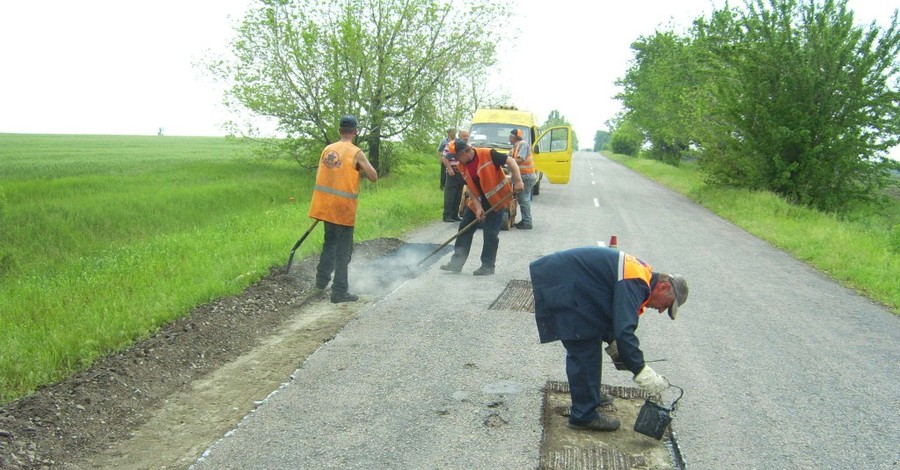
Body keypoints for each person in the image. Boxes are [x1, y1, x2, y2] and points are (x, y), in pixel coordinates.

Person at [529, 246, 689, 431]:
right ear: (663, 287)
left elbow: (609, 309)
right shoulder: (636, 280)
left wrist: (613, 342)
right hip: (562, 283)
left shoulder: (640, 275)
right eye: (666, 305)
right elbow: (625, 329)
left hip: (573, 284)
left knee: (591, 337)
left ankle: (590, 394)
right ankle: (583, 415)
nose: (661, 310)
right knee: (585, 348)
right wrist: (641, 371)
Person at [308, 115, 378, 303]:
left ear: (340, 131)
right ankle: (339, 292)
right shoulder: (356, 152)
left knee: (329, 245)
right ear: (355, 131)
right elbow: (373, 176)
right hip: (343, 209)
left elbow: (322, 176)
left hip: (325, 207)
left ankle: (321, 282)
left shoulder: (327, 149)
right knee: (343, 252)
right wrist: (360, 168)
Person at [440, 139, 524, 276]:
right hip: (477, 201)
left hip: (496, 200)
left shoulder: (488, 154)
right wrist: (478, 207)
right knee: (464, 229)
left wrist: (518, 180)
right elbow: (471, 189)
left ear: (465, 152)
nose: (456, 161)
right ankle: (456, 263)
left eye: (456, 157)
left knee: (490, 233)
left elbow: (511, 162)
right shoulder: (462, 165)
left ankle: (487, 266)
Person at [509, 128, 536, 229]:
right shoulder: (515, 146)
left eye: (510, 136)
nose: (509, 138)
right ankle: (526, 220)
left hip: (526, 176)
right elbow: (509, 158)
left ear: (514, 137)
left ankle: (527, 221)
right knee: (523, 199)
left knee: (524, 199)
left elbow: (520, 159)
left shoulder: (523, 144)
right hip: (522, 176)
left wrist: (508, 162)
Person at [441, 130, 468, 222]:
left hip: (461, 173)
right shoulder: (452, 145)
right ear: (459, 136)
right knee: (450, 195)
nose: (466, 138)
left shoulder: (467, 147)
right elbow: (444, 158)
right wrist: (449, 169)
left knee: (459, 194)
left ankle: (454, 214)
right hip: (452, 172)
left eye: (467, 136)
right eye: (464, 136)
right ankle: (447, 215)